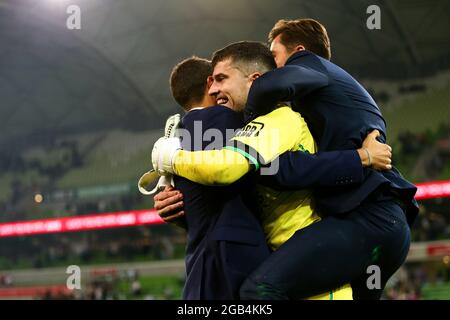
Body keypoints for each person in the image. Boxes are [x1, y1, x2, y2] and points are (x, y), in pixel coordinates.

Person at [151, 41, 394, 299]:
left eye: (221, 79)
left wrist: (171, 157)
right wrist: (180, 205)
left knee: (253, 294)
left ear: (254, 80)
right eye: (212, 82)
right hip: (283, 268)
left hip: (313, 275)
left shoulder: (280, 119)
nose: (214, 89)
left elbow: (226, 169)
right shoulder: (246, 129)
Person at [159, 56, 270, 299]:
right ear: (210, 84)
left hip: (200, 259)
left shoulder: (178, 135)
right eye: (220, 79)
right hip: (232, 255)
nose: (222, 89)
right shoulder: (222, 118)